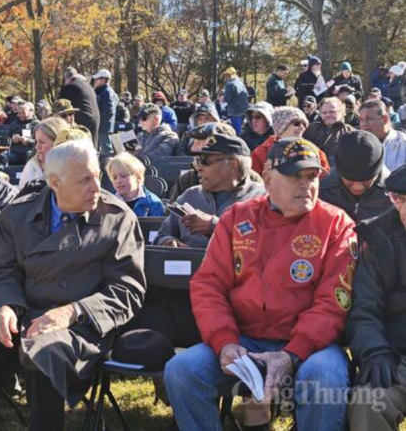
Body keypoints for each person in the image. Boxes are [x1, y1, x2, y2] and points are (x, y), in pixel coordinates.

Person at [0, 139, 147, 431]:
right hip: (23, 310)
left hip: (80, 325)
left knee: (43, 350)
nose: (96, 187)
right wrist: (4, 306)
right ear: (55, 182)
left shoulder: (116, 219)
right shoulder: (18, 214)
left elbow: (128, 290)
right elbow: (1, 270)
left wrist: (72, 311)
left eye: (97, 176)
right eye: (85, 180)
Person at [164, 137, 357, 431]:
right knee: (182, 369)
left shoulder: (337, 225)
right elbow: (208, 285)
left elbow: (333, 303)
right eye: (294, 176)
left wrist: (292, 354)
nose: (306, 185)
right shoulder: (237, 218)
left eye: (312, 176)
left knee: (324, 375)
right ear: (267, 179)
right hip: (244, 340)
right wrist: (225, 342)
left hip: (311, 346)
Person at [346, 165, 406, 430]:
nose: (403, 209)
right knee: (369, 401)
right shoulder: (380, 240)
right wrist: (375, 350)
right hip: (397, 355)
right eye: (400, 200)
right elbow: (364, 308)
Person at [155, 135, 265, 248]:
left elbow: (265, 243)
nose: (199, 167)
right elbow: (162, 235)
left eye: (205, 161)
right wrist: (168, 242)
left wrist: (215, 226)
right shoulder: (190, 195)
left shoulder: (262, 198)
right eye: (198, 160)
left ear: (233, 164)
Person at [320, 131, 391, 222]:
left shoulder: (397, 197)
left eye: (366, 179)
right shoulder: (320, 191)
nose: (357, 187)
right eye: (349, 179)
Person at [252, 106, 330, 176]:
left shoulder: (315, 151)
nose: (302, 128)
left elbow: (325, 179)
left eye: (304, 124)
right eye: (297, 123)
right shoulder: (261, 152)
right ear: (281, 127)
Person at [18, 117, 72, 190]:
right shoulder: (31, 166)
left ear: (58, 143)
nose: (37, 147)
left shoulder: (74, 169)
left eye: (42, 142)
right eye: (36, 141)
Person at [106, 152, 165, 216]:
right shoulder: (107, 202)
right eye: (114, 178)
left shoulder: (154, 204)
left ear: (137, 176)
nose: (118, 181)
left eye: (124, 176)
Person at [58, 66, 100, 148]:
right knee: (92, 148)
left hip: (81, 118)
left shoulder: (68, 87)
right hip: (96, 118)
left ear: (66, 78)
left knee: (77, 148)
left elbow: (61, 105)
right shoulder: (89, 87)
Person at [359, 99, 406, 172]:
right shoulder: (358, 145)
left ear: (385, 119)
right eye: (361, 120)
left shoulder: (403, 143)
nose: (364, 124)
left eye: (369, 119)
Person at [93, 69, 118, 155]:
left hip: (104, 127)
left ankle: (109, 167)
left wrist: (99, 121)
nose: (95, 81)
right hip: (102, 127)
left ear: (104, 80)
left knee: (107, 151)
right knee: (100, 151)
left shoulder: (107, 92)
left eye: (98, 79)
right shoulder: (102, 91)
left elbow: (109, 111)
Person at [6, 101, 40, 166]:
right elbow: (6, 141)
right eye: (19, 113)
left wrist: (29, 141)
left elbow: (40, 142)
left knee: (29, 155)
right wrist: (12, 140)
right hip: (15, 152)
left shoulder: (37, 124)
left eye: (23, 113)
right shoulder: (13, 124)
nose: (21, 115)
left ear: (29, 112)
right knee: (4, 156)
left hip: (29, 152)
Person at [222, 67, 249, 134]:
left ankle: (239, 142)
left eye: (227, 75)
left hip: (235, 111)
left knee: (237, 131)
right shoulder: (240, 82)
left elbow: (227, 99)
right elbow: (247, 94)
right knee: (242, 129)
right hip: (244, 109)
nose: (226, 76)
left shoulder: (230, 84)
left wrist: (223, 99)